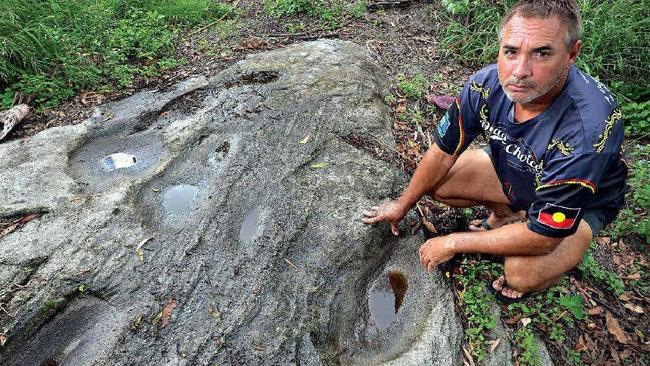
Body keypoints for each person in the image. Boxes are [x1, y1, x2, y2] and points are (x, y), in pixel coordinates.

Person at [362, 0, 627, 302]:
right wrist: (402, 203)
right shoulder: (485, 86)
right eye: (511, 51)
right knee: (439, 182)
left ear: (572, 54)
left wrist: (454, 243)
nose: (520, 71)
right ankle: (507, 215)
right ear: (500, 47)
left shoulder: (586, 130)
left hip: (581, 206)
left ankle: (555, 251)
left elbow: (543, 238)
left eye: (541, 53)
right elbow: (442, 152)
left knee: (520, 274)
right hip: (519, 165)